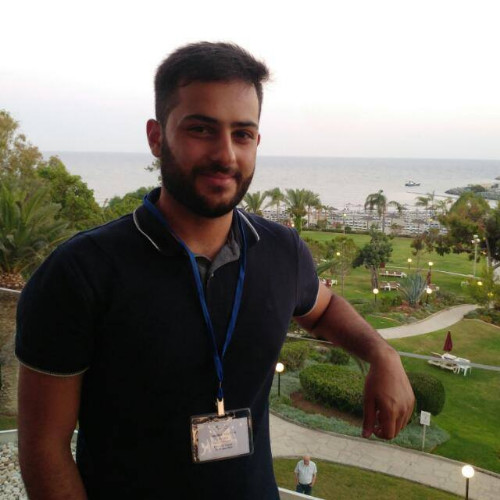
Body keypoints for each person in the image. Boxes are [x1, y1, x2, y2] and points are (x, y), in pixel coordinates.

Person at [16, 42, 415, 500]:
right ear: (156, 137)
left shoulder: (281, 251)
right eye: (201, 129)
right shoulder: (80, 272)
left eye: (242, 134)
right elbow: (44, 448)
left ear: (256, 142)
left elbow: (322, 309)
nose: (225, 154)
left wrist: (382, 354)